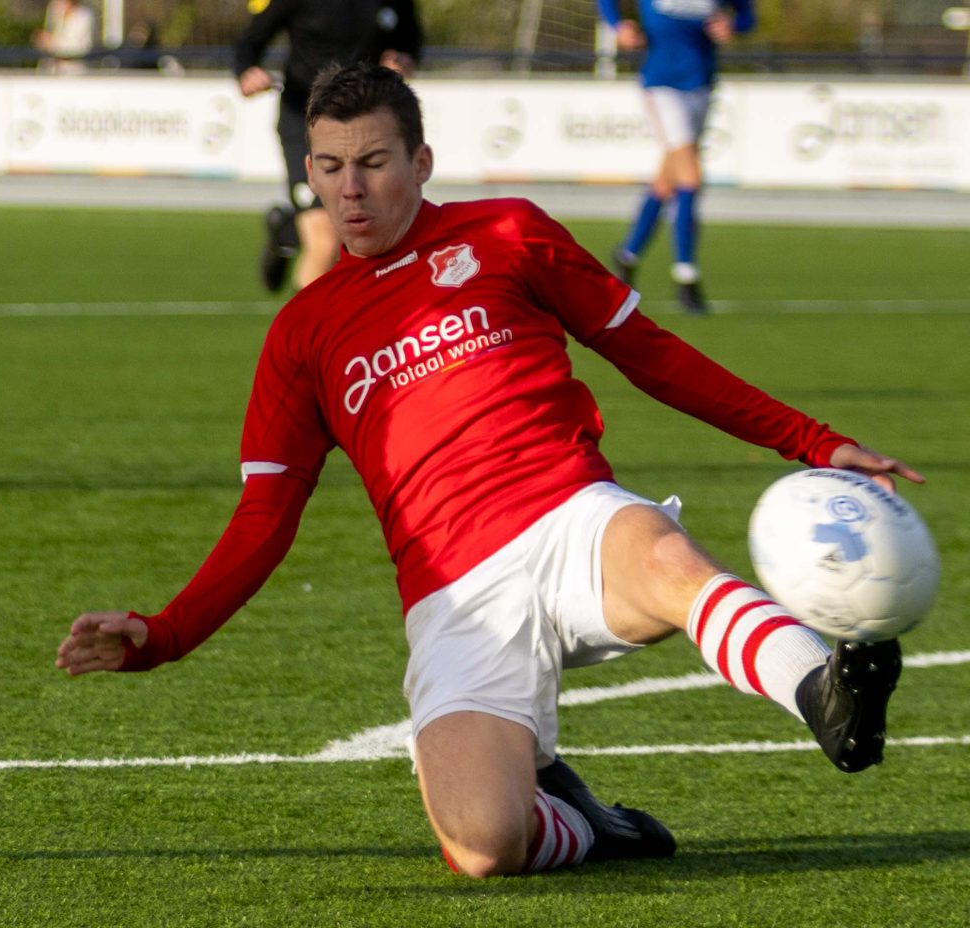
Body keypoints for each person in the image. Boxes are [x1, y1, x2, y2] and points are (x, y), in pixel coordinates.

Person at [57, 64, 920, 877]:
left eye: (373, 163)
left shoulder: (508, 232)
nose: (350, 190)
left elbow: (650, 354)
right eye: (329, 167)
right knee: (483, 846)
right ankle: (586, 822)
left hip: (573, 516)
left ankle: (824, 692)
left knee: (667, 559)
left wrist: (812, 441)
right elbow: (265, 517)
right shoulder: (301, 333)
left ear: (421, 162)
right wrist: (164, 635)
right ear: (309, 170)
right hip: (454, 595)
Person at [233, 0, 421, 294]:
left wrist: (404, 59)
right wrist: (246, 72)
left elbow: (413, 36)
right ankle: (310, 339)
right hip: (308, 118)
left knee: (365, 240)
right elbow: (250, 41)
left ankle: (285, 231)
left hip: (368, 124)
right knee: (325, 239)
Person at [596, 0, 752, 316]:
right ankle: (686, 275)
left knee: (667, 181)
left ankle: (627, 255)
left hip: (701, 81)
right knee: (691, 177)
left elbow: (747, 13)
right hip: (660, 81)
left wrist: (733, 25)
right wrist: (620, 26)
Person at [31, 0, 95, 72]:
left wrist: (50, 41)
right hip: (55, 67)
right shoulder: (58, 20)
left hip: (73, 68)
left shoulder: (82, 18)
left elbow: (73, 46)